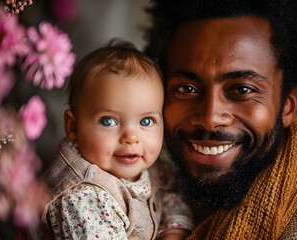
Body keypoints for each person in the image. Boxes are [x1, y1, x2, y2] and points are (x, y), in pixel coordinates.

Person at [145, 0, 297, 239]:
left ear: (288, 106)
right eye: (186, 88)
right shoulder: (121, 187)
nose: (210, 118)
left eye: (243, 90)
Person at [40, 41, 194, 240]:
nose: (131, 137)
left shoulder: (155, 171)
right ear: (73, 127)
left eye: (146, 121)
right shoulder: (81, 198)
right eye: (108, 121)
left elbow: (174, 204)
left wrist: (172, 233)